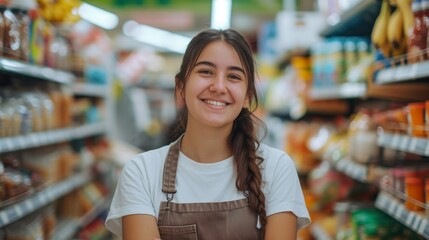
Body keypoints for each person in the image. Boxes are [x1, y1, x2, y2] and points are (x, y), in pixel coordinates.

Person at [105, 28, 311, 240]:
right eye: (206, 72)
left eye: (233, 76)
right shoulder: (142, 173)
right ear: (181, 87)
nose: (219, 86)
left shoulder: (276, 168)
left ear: (248, 95)